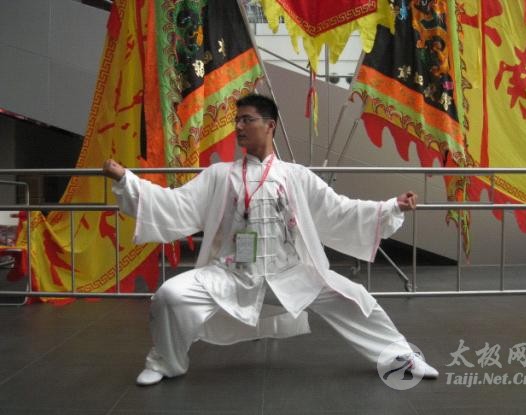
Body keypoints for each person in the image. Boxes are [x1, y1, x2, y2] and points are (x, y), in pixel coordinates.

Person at [103, 93, 439, 386]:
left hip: (291, 273)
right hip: (231, 273)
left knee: (357, 300)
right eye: (237, 121)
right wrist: (126, 180)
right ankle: (165, 362)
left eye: (246, 120)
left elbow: (338, 210)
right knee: (169, 296)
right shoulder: (220, 175)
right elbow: (176, 204)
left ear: (270, 125)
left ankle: (402, 359)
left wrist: (392, 207)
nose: (238, 127)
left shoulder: (295, 176)